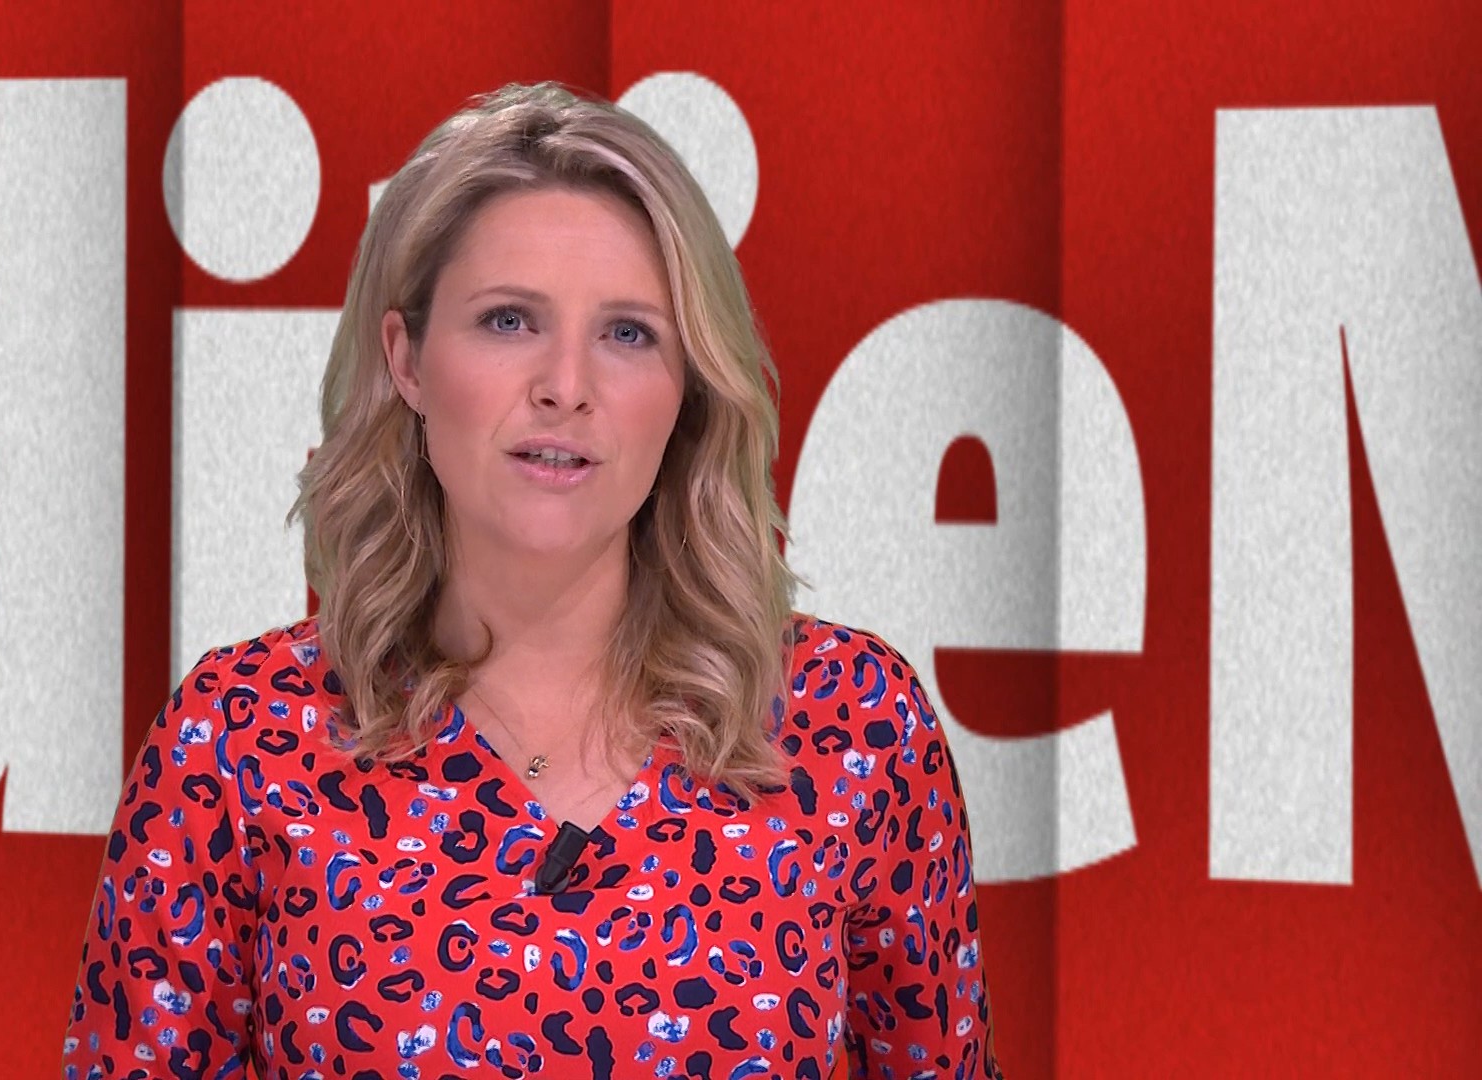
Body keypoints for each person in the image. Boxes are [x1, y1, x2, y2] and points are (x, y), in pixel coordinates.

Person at [60, 80, 1002, 1080]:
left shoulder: (852, 725)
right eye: (509, 320)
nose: (565, 386)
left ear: (687, 389)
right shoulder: (238, 739)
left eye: (628, 333)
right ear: (408, 361)